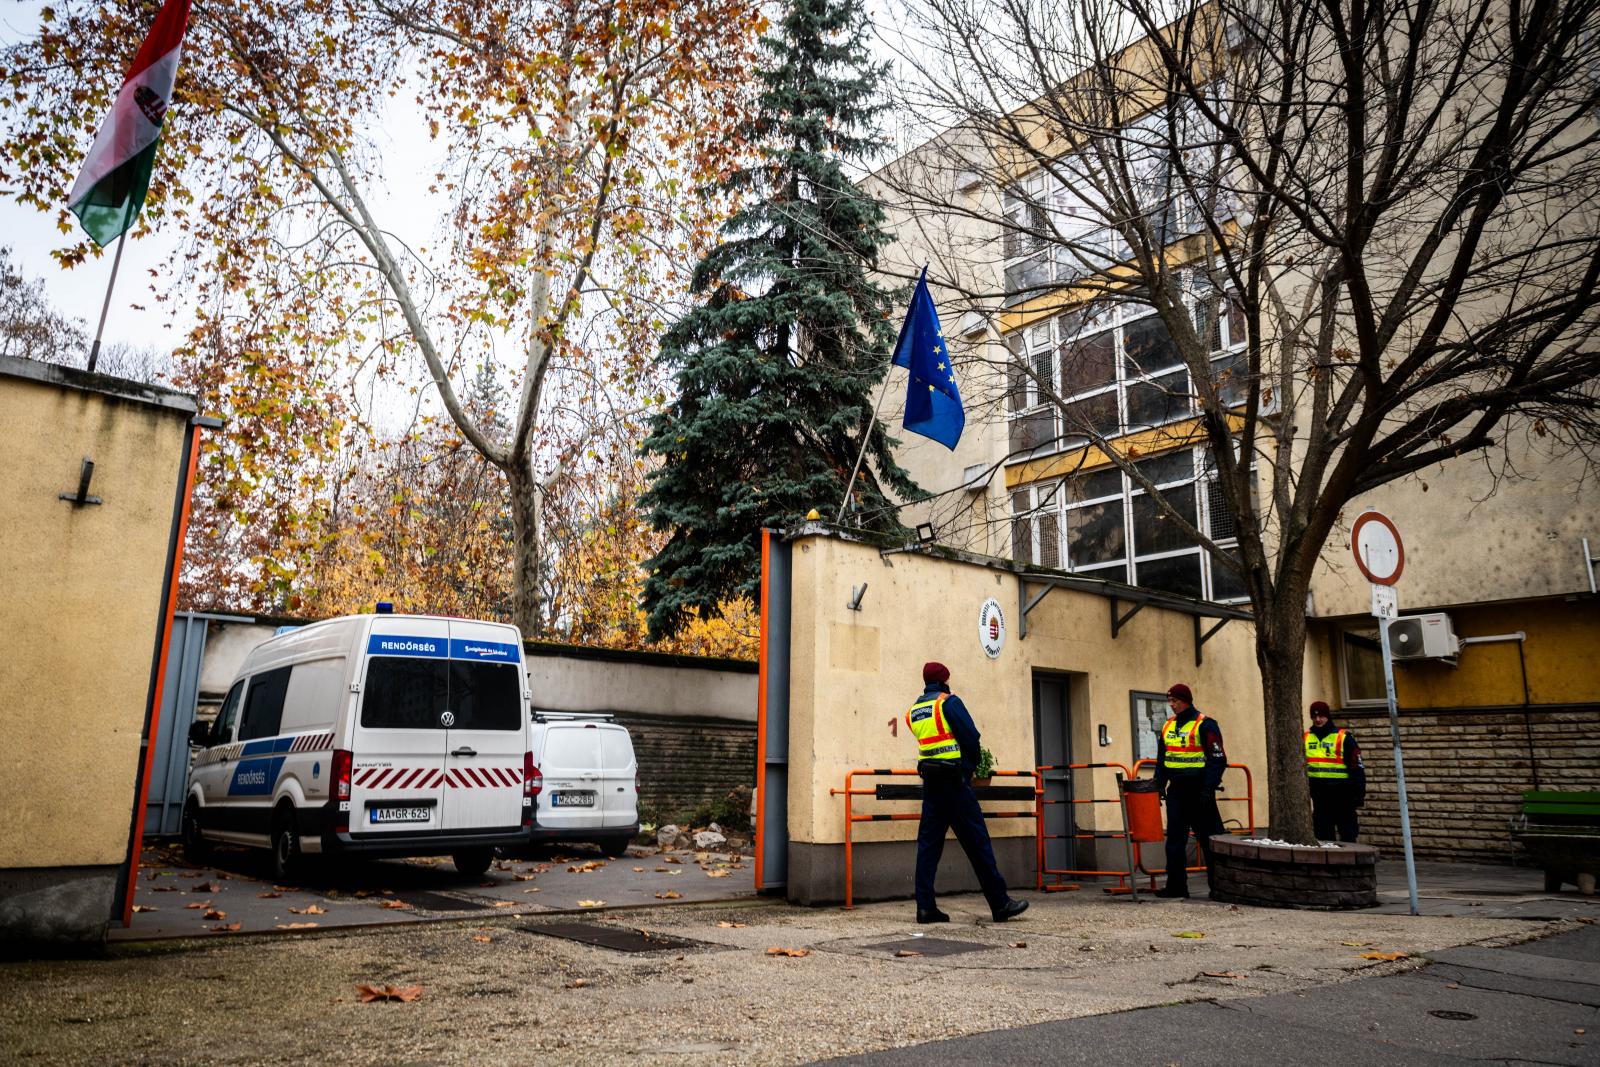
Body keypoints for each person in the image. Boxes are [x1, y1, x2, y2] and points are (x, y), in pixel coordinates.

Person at [906, 662, 1029, 924]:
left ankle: (925, 908)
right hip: (954, 783)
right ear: (944, 680)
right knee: (977, 842)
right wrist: (969, 769)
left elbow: (928, 744)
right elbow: (971, 738)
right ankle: (1000, 904)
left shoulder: (915, 710)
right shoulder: (948, 703)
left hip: (931, 785)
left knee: (928, 847)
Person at [1153, 682, 1227, 899]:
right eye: (1170, 701)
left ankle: (1218, 887)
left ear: (1186, 700)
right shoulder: (1168, 726)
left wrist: (1208, 788)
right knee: (1175, 841)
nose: (1172, 705)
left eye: (1175, 701)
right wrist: (1159, 786)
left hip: (1200, 792)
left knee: (1209, 841)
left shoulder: (1205, 724)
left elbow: (1218, 760)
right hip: (1177, 791)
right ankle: (1176, 886)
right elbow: (1162, 761)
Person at [1305, 700, 1365, 841]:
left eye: (1321, 716)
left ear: (1328, 716)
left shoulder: (1343, 737)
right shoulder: (1306, 738)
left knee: (1348, 833)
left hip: (1343, 794)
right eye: (1314, 717)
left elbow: (1357, 768)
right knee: (1323, 834)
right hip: (1319, 794)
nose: (1318, 720)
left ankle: (1351, 862)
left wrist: (1359, 793)